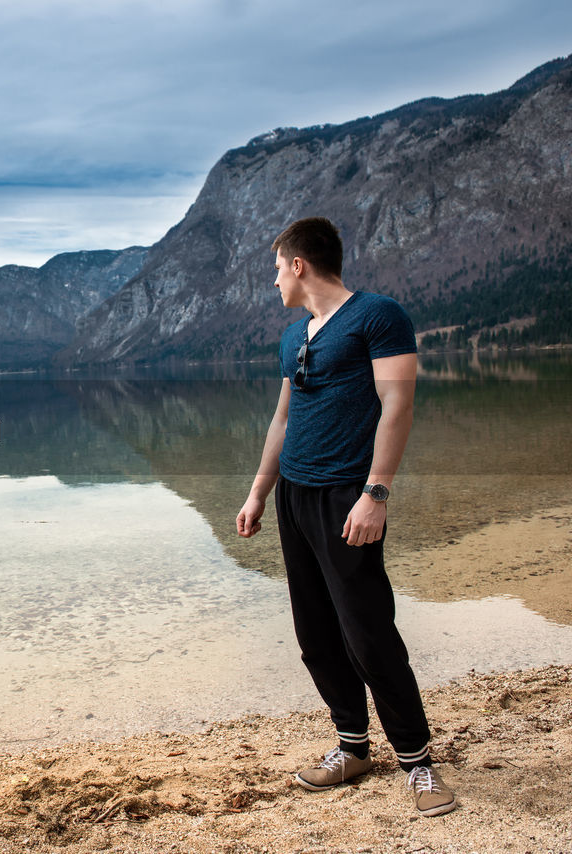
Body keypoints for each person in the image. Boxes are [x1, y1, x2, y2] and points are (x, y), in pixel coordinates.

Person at [235, 216, 456, 817]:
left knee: (367, 631)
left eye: (277, 268)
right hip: (295, 498)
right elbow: (282, 421)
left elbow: (398, 404)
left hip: (346, 497)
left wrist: (375, 493)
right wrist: (259, 493)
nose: (275, 280)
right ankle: (353, 748)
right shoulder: (294, 335)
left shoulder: (377, 316)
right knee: (315, 634)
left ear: (299, 265)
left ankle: (417, 762)